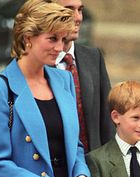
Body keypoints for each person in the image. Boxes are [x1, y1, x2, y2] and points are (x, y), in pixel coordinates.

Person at [0, 0, 90, 177]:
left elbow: (74, 145)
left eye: (63, 39)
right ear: (27, 38)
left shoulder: (64, 79)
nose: (60, 48)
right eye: (52, 39)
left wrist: (81, 175)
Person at [52, 0, 115, 152]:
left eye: (80, 10)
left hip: (92, 167)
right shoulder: (38, 64)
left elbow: (107, 123)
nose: (78, 18)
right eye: (69, 10)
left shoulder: (93, 57)